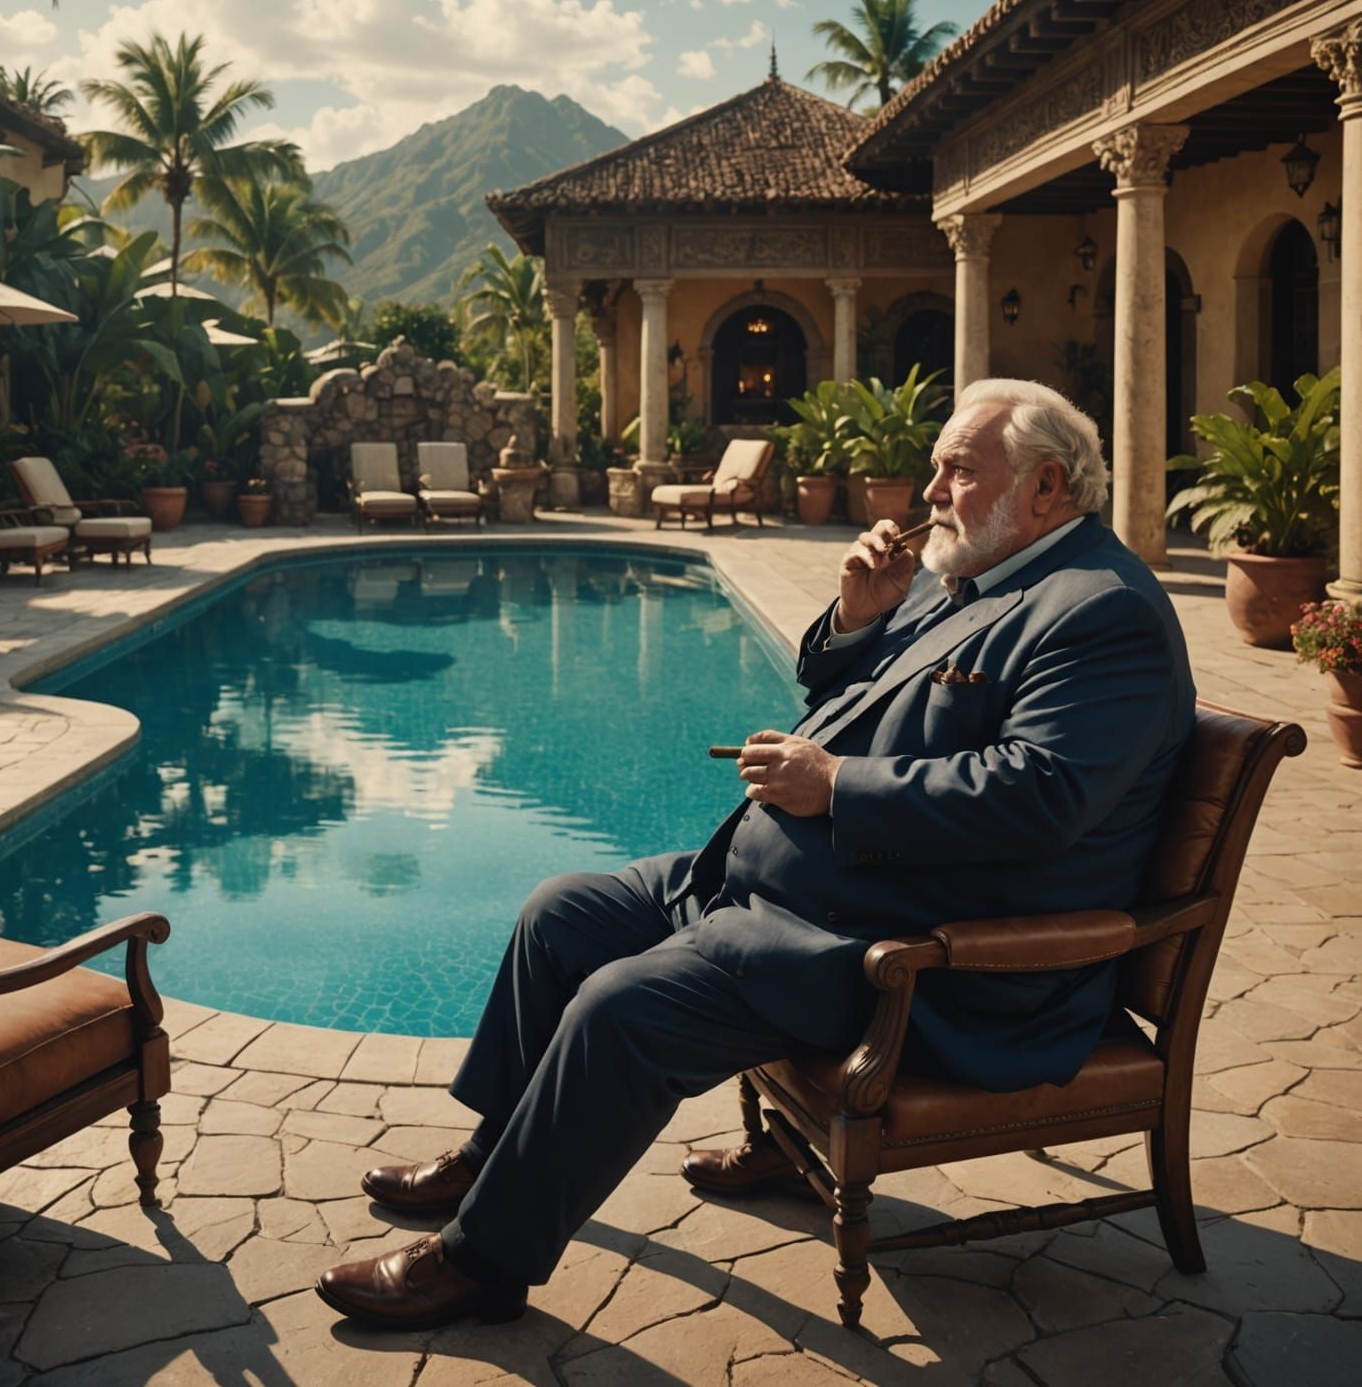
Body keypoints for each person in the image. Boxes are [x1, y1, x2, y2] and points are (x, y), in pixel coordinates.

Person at [314, 377, 1195, 1330]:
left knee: (625, 1006)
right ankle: (498, 1153)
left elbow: (1043, 794)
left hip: (917, 958)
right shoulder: (978, 574)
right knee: (561, 913)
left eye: (957, 471)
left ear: (1048, 487)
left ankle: (483, 1263)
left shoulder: (1099, 611)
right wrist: (859, 617)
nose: (929, 493)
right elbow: (850, 695)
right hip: (798, 896)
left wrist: (836, 788)